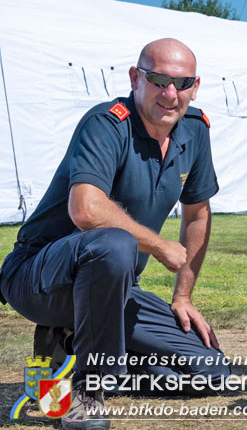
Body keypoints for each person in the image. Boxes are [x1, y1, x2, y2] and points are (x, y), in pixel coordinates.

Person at [0, 38, 230, 430]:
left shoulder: (195, 130)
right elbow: (86, 209)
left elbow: (197, 213)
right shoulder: (107, 123)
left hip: (112, 290)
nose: (170, 94)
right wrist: (159, 246)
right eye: (158, 80)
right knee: (114, 243)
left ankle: (72, 350)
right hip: (39, 278)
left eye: (182, 83)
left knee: (210, 370)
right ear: (135, 78)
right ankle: (89, 390)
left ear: (196, 85)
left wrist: (184, 293)